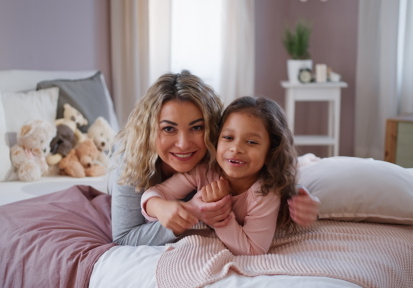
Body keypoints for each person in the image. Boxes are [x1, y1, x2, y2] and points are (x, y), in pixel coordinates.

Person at [111, 70, 319, 246]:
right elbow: (123, 238)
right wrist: (188, 213)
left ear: (212, 128)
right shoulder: (131, 159)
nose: (183, 143)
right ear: (149, 130)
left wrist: (298, 195)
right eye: (168, 129)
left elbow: (275, 160)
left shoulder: (220, 149)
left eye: (196, 127)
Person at [140, 96, 298, 255]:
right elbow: (155, 193)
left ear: (271, 152)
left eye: (251, 142)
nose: (236, 148)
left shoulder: (266, 192)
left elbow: (253, 250)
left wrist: (220, 214)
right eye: (228, 138)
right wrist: (159, 207)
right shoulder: (204, 171)